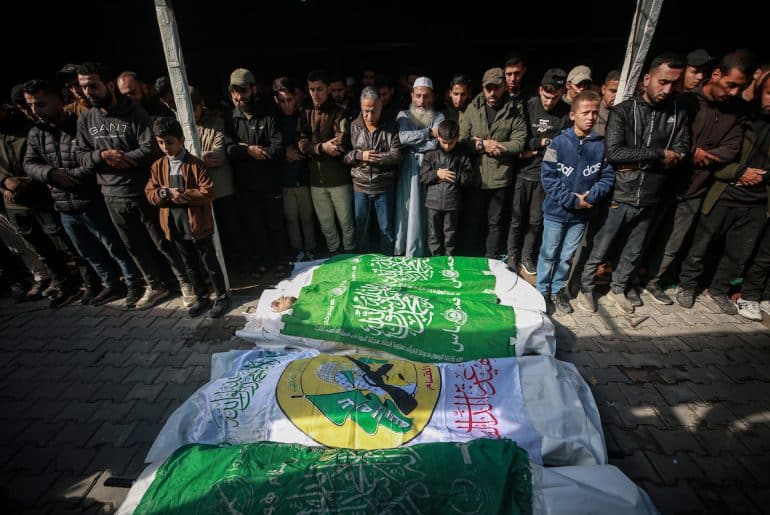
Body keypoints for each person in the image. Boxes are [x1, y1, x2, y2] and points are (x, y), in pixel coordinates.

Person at [577, 53, 690, 314]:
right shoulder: (624, 111)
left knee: (633, 250)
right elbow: (615, 153)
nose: (668, 89)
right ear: (646, 79)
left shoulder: (677, 111)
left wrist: (642, 158)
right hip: (620, 193)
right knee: (600, 247)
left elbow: (683, 149)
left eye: (674, 83)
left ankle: (619, 288)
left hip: (653, 194)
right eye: (663, 82)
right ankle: (586, 289)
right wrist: (659, 154)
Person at [76, 61, 192, 309]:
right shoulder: (86, 119)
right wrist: (102, 157)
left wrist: (121, 158)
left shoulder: (136, 114)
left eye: (93, 86)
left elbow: (150, 149)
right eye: (83, 87)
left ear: (108, 85)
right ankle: (155, 286)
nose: (88, 92)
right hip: (111, 194)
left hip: (142, 190)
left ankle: (185, 283)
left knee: (163, 241)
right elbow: (81, 155)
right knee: (133, 246)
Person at [643, 50, 751, 304]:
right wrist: (691, 152)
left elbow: (732, 149)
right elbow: (668, 137)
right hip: (664, 183)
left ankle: (653, 281)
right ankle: (626, 280)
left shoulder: (736, 111)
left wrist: (706, 156)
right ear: (716, 75)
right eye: (730, 84)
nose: (734, 92)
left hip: (696, 188)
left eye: (740, 87)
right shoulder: (686, 101)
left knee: (673, 242)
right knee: (645, 235)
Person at [23, 79, 141, 306]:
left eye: (41, 104)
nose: (35, 111)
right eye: (31, 105)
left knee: (115, 247)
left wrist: (72, 176)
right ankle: (111, 286)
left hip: (91, 200)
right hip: (64, 206)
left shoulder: (82, 124)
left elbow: (94, 156)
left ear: (58, 99)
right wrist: (50, 174)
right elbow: (29, 163)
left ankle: (133, 283)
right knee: (88, 253)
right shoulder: (36, 133)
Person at [678, 73, 770, 316]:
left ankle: (718, 289)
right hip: (723, 193)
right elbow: (720, 155)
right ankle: (688, 285)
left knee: (739, 251)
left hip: (758, 201)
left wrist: (761, 177)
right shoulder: (741, 117)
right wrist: (739, 172)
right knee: (702, 244)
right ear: (759, 91)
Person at [537, 90, 615, 314]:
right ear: (572, 115)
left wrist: (590, 198)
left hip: (581, 216)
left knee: (566, 256)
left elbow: (607, 177)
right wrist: (572, 200)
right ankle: (542, 290)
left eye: (594, 113)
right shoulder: (557, 144)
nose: (590, 117)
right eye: (585, 113)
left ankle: (558, 290)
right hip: (555, 213)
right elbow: (548, 177)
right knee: (549, 253)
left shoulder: (602, 146)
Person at [146, 117, 231, 318]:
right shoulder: (158, 166)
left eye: (169, 142)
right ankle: (201, 297)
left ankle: (221, 297)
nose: (165, 147)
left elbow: (208, 193)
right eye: (160, 142)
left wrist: (182, 194)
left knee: (209, 261)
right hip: (175, 223)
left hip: (197, 222)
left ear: (181, 140)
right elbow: (151, 193)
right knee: (189, 264)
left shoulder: (196, 165)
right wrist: (165, 193)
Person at [506, 68, 570, 274]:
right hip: (523, 173)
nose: (549, 102)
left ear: (563, 94)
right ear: (539, 90)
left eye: (554, 98)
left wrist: (534, 151)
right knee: (516, 219)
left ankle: (527, 256)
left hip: (546, 177)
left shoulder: (566, 113)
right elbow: (519, 141)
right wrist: (538, 143)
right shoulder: (529, 105)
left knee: (536, 221)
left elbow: (562, 147)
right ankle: (512, 256)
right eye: (546, 96)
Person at [459, 67, 527, 258]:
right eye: (488, 88)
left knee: (495, 224)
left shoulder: (515, 109)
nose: (491, 93)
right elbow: (463, 140)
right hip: (476, 176)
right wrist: (482, 144)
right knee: (472, 222)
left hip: (499, 176)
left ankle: (491, 261)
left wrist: (499, 146)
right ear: (483, 88)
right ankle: (469, 260)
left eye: (496, 88)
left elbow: (520, 142)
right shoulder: (473, 107)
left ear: (504, 87)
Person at [225, 67, 286, 275]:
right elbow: (228, 148)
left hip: (270, 184)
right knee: (254, 227)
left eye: (242, 91)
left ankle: (279, 263)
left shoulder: (269, 114)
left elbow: (278, 150)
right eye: (235, 92)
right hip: (246, 186)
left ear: (254, 89)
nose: (239, 97)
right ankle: (262, 263)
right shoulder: (231, 118)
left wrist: (258, 152)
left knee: (275, 225)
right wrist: (248, 151)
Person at [297, 69, 355, 256]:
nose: (315, 93)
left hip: (339, 178)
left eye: (319, 89)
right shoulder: (305, 112)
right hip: (316, 179)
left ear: (329, 89)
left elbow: (340, 144)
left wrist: (313, 148)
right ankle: (334, 259)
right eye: (312, 89)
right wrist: (321, 148)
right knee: (327, 225)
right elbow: (302, 143)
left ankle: (350, 257)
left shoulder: (339, 113)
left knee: (347, 225)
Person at [343, 87, 402, 254]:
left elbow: (397, 155)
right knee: (361, 228)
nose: (368, 116)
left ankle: (387, 264)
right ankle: (363, 266)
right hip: (360, 186)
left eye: (373, 111)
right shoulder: (353, 126)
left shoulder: (391, 126)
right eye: (365, 111)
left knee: (386, 229)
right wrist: (361, 155)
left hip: (384, 186)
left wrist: (377, 158)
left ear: (381, 106)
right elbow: (344, 156)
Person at [394, 76, 444, 257]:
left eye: (426, 96)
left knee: (426, 210)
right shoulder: (403, 115)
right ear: (412, 96)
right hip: (409, 169)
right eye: (418, 96)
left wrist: (414, 142)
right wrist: (428, 133)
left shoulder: (439, 117)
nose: (422, 101)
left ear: (433, 96)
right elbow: (401, 138)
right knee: (408, 209)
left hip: (430, 168)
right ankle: (406, 250)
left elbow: (438, 144)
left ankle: (424, 251)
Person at [273, 77, 316, 262]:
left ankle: (312, 249)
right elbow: (271, 145)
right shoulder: (273, 120)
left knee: (307, 217)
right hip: (284, 178)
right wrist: (284, 153)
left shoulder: (304, 116)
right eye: (282, 101)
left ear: (296, 97)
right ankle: (297, 250)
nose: (286, 105)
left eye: (289, 100)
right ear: (276, 100)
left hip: (304, 175)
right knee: (291, 218)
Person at [419, 119, 472, 256]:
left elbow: (469, 177)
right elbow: (423, 176)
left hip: (452, 203)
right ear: (438, 138)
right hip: (433, 202)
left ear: (457, 139)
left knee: (451, 235)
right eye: (444, 143)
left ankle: (450, 262)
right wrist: (437, 174)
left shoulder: (462, 155)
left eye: (451, 143)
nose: (448, 147)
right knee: (433, 235)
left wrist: (453, 177)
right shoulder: (431, 154)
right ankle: (435, 262)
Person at [594, 69, 620, 136]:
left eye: (619, 92)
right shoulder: (593, 110)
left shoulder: (626, 113)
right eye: (613, 91)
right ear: (603, 89)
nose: (616, 96)